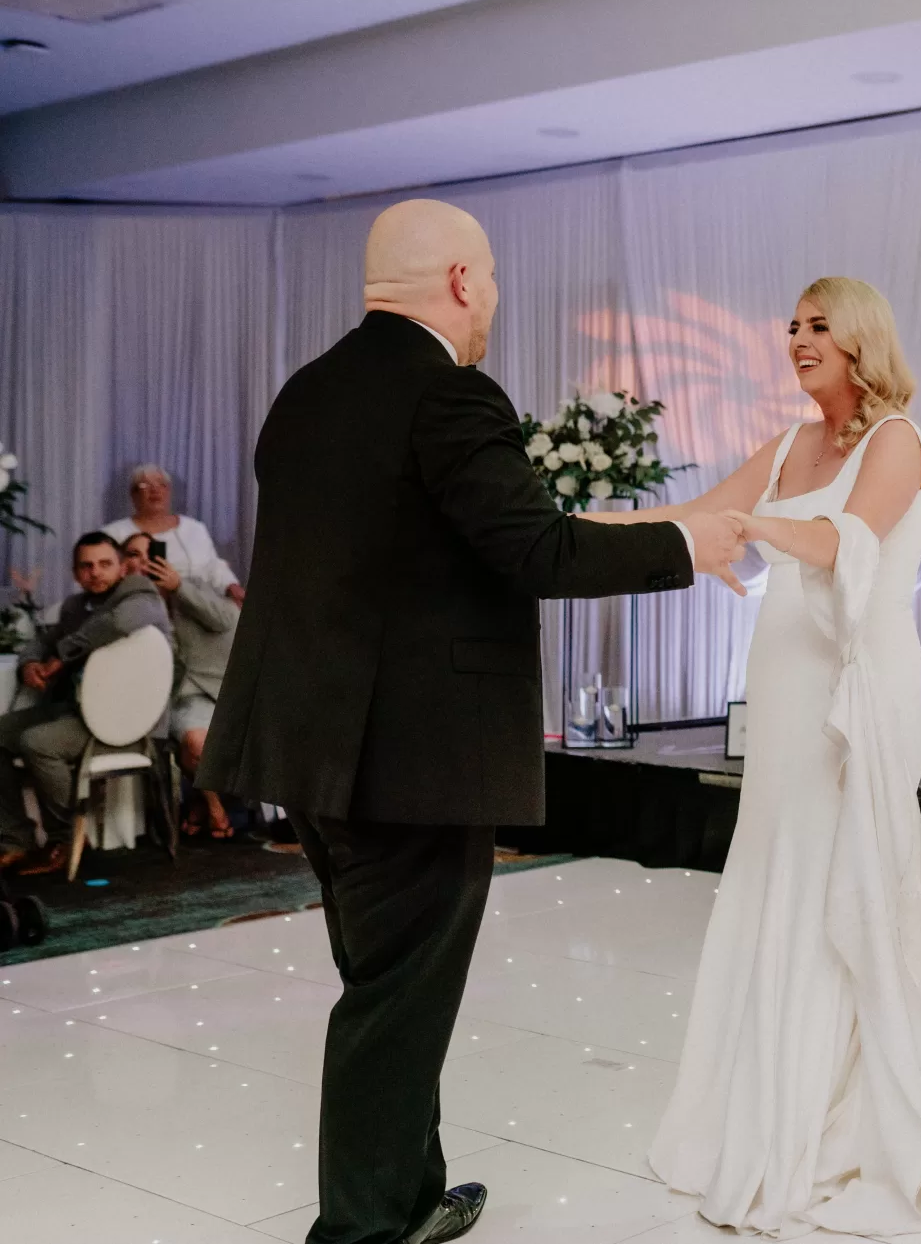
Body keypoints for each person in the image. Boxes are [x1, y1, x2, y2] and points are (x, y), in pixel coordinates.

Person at [197, 198, 747, 1244]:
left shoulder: (305, 394)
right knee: (394, 998)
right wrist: (687, 540)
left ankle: (408, 1196)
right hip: (411, 756)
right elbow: (536, 550)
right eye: (489, 278)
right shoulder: (447, 397)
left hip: (310, 750)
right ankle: (358, 1230)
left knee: (388, 982)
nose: (494, 296)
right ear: (458, 281)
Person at [593, 277, 921, 1235]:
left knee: (842, 880)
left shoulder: (896, 441)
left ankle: (845, 1114)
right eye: (792, 327)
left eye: (817, 326)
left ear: (859, 338)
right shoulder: (787, 445)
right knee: (777, 873)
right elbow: (691, 516)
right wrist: (572, 526)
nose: (798, 339)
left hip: (857, 694)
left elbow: (847, 540)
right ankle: (767, 1098)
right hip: (786, 692)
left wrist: (753, 528)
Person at [0, 531, 172, 876]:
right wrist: (30, 664)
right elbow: (42, 640)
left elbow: (116, 622)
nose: (96, 572)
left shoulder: (141, 594)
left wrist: (61, 656)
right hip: (81, 711)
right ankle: (15, 840)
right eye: (86, 566)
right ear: (76, 573)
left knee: (37, 743)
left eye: (105, 564)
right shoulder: (76, 606)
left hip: (129, 720)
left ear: (123, 567)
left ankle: (65, 839)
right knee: (1, 733)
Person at [120, 532, 239, 840]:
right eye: (134, 554)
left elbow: (228, 619)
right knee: (198, 744)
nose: (143, 561)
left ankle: (199, 802)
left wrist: (178, 589)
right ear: (123, 565)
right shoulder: (124, 605)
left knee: (196, 745)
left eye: (151, 553)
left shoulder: (188, 589)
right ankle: (216, 809)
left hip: (217, 691)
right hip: (171, 699)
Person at [103, 465, 246, 604]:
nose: (155, 490)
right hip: (144, 609)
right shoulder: (113, 534)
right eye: (145, 486)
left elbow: (213, 566)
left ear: (169, 492)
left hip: (202, 607)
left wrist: (231, 586)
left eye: (161, 485)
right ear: (133, 495)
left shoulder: (195, 528)